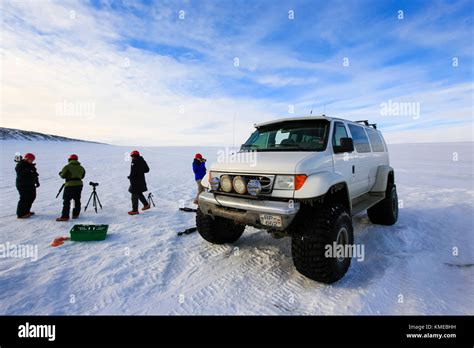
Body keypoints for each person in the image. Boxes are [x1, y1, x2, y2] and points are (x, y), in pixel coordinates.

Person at [56, 154, 86, 221]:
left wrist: (60, 173)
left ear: (69, 159)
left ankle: (65, 216)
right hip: (79, 185)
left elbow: (63, 175)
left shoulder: (67, 167)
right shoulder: (81, 167)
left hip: (69, 185)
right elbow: (82, 176)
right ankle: (75, 214)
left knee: (67, 201)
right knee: (77, 199)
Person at [15, 153, 39, 219]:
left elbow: (35, 174)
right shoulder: (20, 165)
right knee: (24, 198)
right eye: (31, 159)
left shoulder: (31, 166)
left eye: (33, 160)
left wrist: (37, 182)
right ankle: (21, 214)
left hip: (30, 184)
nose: (32, 161)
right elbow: (21, 173)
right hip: (22, 185)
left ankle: (26, 211)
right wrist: (30, 171)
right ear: (26, 158)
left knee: (32, 197)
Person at [128, 150, 150, 215]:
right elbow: (147, 170)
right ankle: (146, 205)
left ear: (133, 156)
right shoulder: (142, 160)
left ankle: (135, 210)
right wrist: (140, 172)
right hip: (141, 180)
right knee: (139, 193)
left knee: (134, 194)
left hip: (135, 181)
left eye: (131, 156)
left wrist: (130, 177)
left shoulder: (134, 162)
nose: (131, 157)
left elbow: (133, 172)